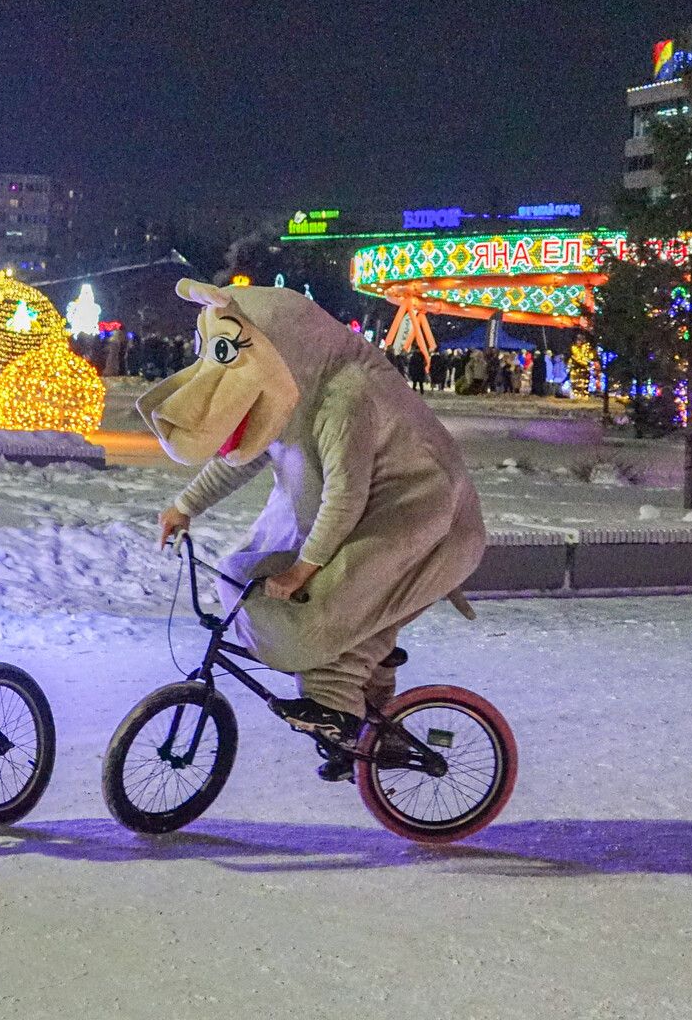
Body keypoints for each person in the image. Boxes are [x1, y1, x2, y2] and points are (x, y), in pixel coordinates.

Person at [143, 279, 485, 771]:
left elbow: (346, 496)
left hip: (422, 518)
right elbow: (244, 454)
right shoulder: (293, 391)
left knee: (335, 604)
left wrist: (303, 569)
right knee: (274, 583)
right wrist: (186, 504)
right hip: (362, 517)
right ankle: (372, 735)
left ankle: (338, 710)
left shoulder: (346, 395)